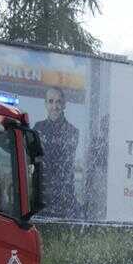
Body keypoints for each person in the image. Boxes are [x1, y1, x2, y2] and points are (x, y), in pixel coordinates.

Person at [34, 87, 78, 217]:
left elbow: (60, 164)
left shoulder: (72, 132)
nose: (55, 106)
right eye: (51, 101)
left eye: (58, 102)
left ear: (64, 105)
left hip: (64, 200)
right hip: (41, 197)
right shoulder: (37, 128)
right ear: (46, 104)